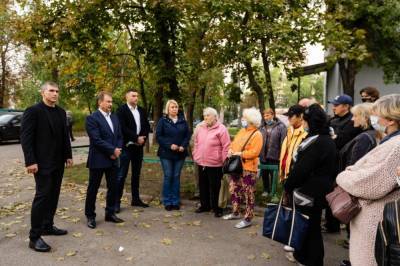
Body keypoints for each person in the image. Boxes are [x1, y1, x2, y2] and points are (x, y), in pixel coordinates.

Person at [336, 94, 400, 266]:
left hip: (377, 223)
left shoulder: (396, 146)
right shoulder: (391, 142)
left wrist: (343, 175)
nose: (374, 118)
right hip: (373, 221)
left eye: (376, 113)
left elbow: (371, 184)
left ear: (390, 119)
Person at [20, 81, 73, 252]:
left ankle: (47, 226)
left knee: (54, 194)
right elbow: (26, 138)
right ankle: (34, 237)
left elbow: (65, 136)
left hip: (58, 162)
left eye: (57, 91)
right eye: (51, 91)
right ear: (43, 93)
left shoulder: (61, 112)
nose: (55, 94)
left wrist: (68, 155)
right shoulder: (33, 111)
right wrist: (30, 161)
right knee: (42, 196)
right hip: (41, 163)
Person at [284, 104, 338, 266]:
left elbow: (301, 169)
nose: (304, 124)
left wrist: (288, 186)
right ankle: (308, 257)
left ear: (311, 122)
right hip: (317, 191)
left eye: (305, 121)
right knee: (310, 227)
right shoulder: (326, 139)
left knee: (308, 228)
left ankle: (310, 260)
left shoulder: (317, 142)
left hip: (308, 193)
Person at [85, 92, 124, 229]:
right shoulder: (92, 118)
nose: (110, 104)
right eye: (108, 101)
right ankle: (90, 216)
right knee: (93, 189)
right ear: (100, 102)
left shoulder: (114, 117)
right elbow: (96, 139)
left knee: (113, 187)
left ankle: (110, 213)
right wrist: (112, 150)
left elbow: (119, 135)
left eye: (111, 102)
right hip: (98, 159)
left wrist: (117, 149)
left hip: (113, 159)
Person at [325, 94, 362, 233]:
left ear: (346, 107)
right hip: (332, 161)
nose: (333, 107)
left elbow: (340, 141)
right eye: (333, 104)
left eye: (336, 105)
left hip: (343, 164)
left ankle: (340, 226)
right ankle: (331, 225)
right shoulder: (333, 119)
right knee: (330, 192)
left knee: (340, 194)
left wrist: (334, 138)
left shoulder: (351, 122)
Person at [222, 108, 263, 229]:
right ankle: (236, 212)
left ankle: (248, 218)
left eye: (244, 117)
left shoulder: (257, 134)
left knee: (248, 193)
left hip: (248, 168)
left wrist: (240, 154)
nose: (242, 119)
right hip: (236, 167)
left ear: (251, 120)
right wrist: (230, 150)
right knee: (234, 189)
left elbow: (254, 152)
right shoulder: (241, 131)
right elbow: (233, 144)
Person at [115, 90, 151, 211]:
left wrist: (142, 139)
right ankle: (116, 202)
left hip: (138, 148)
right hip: (126, 147)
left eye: (137, 95)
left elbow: (146, 126)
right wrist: (136, 138)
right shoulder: (121, 110)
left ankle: (135, 199)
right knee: (121, 175)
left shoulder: (141, 110)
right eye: (133, 95)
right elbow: (122, 128)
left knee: (136, 174)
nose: (136, 98)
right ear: (127, 97)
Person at [192, 107, 231, 217]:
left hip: (215, 163)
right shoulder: (200, 128)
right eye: (204, 115)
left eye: (208, 115)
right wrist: (196, 154)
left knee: (215, 186)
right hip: (201, 162)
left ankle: (217, 208)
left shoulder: (221, 129)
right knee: (203, 185)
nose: (206, 117)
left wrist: (224, 161)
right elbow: (196, 142)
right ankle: (205, 206)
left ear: (215, 117)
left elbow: (226, 146)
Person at [156, 100, 191, 211]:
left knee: (176, 176)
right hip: (166, 153)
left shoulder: (182, 121)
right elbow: (159, 136)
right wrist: (169, 145)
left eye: (176, 107)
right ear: (168, 109)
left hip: (180, 154)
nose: (175, 109)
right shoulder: (163, 121)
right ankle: (167, 201)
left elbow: (187, 135)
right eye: (172, 107)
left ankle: (175, 201)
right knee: (168, 176)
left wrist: (183, 146)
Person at [259, 108, 286, 197]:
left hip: (274, 155)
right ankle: (266, 190)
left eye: (267, 115)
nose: (265, 117)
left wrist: (281, 156)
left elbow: (283, 142)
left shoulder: (281, 126)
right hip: (263, 155)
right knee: (264, 174)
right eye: (264, 115)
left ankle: (273, 191)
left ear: (272, 115)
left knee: (273, 174)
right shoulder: (262, 127)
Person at [279, 105, 308, 182]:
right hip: (285, 174)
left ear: (301, 116)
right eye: (288, 116)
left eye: (291, 116)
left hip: (295, 176)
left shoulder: (306, 134)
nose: (288, 118)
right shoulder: (289, 131)